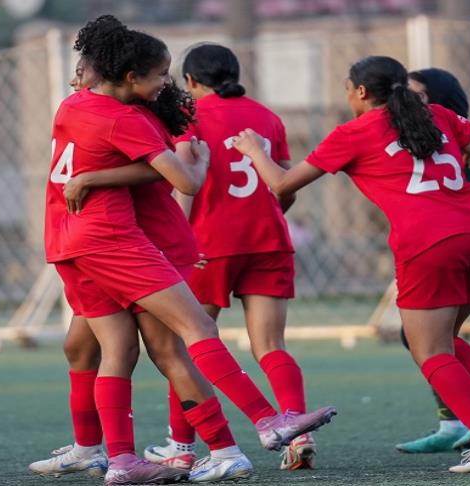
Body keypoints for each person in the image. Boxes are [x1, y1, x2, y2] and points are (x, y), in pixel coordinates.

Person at [42, 16, 335, 485]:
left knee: (116, 350)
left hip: (66, 239)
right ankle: (263, 423)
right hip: (117, 240)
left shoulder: (73, 105)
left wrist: (93, 177)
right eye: (160, 74)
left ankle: (120, 459)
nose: (167, 82)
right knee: (190, 334)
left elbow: (109, 164)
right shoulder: (129, 119)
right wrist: (186, 167)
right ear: (131, 76)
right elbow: (187, 180)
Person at [232, 55, 470, 473]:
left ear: (361, 92)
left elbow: (280, 183)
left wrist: (255, 150)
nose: (346, 95)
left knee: (431, 351)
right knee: (447, 342)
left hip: (430, 241)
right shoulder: (436, 114)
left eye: (347, 88)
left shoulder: (354, 132)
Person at [142, 42, 317, 471]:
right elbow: (286, 184)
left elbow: (185, 180)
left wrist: (178, 241)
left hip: (208, 243)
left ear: (190, 82)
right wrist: (273, 216)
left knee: (188, 343)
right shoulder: (267, 116)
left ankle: (181, 446)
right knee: (271, 345)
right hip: (268, 239)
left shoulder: (188, 116)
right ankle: (299, 430)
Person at [394, 67, 470, 454]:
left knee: (433, 342)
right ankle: (460, 416)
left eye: (415, 94)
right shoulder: (443, 141)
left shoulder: (450, 146)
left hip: (449, 249)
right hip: (465, 245)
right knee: (431, 339)